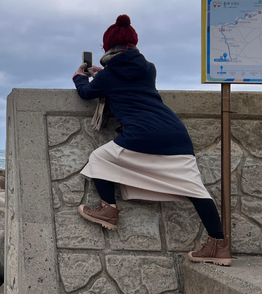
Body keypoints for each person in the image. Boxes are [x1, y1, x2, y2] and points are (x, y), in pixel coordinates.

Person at [72, 14, 230, 266]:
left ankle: (108, 209)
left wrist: (80, 76)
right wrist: (105, 74)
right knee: (196, 191)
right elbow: (129, 82)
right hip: (176, 135)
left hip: (141, 134)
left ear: (107, 47)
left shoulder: (108, 75)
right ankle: (219, 246)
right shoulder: (149, 68)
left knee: (98, 158)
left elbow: (87, 92)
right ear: (134, 44)